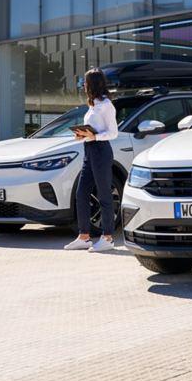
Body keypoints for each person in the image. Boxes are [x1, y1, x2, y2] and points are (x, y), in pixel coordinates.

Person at [64, 68, 119, 252]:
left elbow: (113, 132)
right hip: (89, 150)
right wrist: (83, 135)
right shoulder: (92, 105)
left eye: (85, 81)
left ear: (93, 83)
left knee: (104, 194)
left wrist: (95, 137)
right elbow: (93, 129)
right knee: (81, 193)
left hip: (101, 151)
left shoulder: (106, 105)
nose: (83, 85)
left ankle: (108, 237)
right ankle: (84, 236)